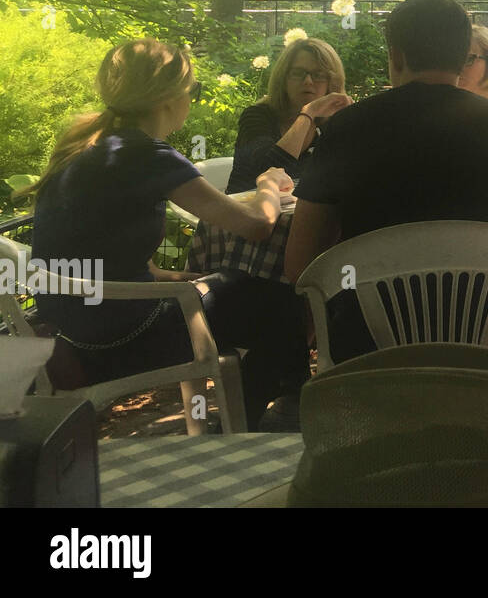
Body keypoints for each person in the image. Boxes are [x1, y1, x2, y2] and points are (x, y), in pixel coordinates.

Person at [28, 39, 309, 431]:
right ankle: (247, 426)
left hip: (76, 330)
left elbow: (128, 268)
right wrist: (268, 183)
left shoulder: (84, 149)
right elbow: (258, 226)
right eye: (192, 89)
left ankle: (279, 406)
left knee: (249, 292)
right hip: (124, 340)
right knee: (279, 300)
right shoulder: (149, 157)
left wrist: (192, 280)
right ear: (168, 97)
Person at [285, 0, 488, 362]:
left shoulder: (346, 130)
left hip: (370, 342)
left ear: (396, 55)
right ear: (462, 57)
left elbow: (300, 264)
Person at [225, 37, 351, 194]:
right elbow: (268, 171)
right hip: (245, 213)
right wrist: (308, 113)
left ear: (332, 83)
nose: (308, 81)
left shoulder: (329, 124)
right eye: (298, 73)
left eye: (318, 75)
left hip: (299, 215)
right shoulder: (257, 116)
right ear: (283, 79)